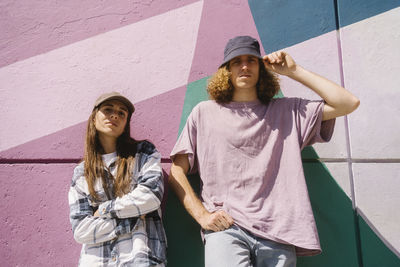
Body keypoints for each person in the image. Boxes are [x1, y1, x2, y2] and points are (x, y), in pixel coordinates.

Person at [169, 36, 360, 267]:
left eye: (252, 60)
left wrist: (294, 70)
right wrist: (202, 216)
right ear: (226, 70)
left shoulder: (288, 111)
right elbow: (177, 171)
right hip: (227, 227)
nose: (245, 66)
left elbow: (347, 103)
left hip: (279, 231)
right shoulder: (204, 113)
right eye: (237, 61)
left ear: (262, 68)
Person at [68, 92, 167, 267]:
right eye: (108, 110)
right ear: (93, 118)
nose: (115, 115)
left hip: (140, 259)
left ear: (125, 124)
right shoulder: (82, 172)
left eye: (122, 113)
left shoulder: (143, 153)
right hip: (96, 262)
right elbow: (81, 230)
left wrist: (104, 209)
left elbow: (150, 197)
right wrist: (134, 217)